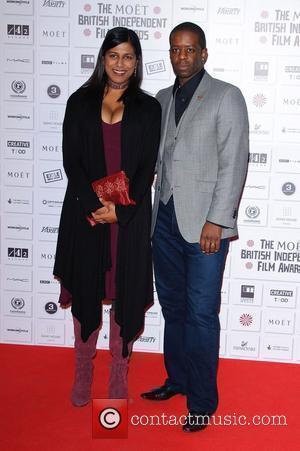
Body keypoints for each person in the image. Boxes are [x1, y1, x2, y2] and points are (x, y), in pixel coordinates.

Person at [141, 22, 249, 432]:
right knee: (173, 308)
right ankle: (178, 380)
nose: (181, 56)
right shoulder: (162, 98)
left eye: (189, 50)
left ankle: (203, 401)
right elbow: (154, 159)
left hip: (205, 225)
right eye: (175, 50)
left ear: (203, 53)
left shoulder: (226, 96)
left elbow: (234, 162)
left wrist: (217, 221)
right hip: (164, 221)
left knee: (201, 313)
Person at [53, 27, 161, 407]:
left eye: (128, 56)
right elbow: (72, 161)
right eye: (114, 55)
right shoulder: (78, 102)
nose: (120, 63)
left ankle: (119, 370)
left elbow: (148, 168)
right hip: (86, 216)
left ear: (136, 63)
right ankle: (83, 369)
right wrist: (95, 208)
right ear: (103, 58)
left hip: (128, 218)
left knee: (125, 293)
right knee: (86, 289)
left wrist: (121, 210)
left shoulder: (149, 108)